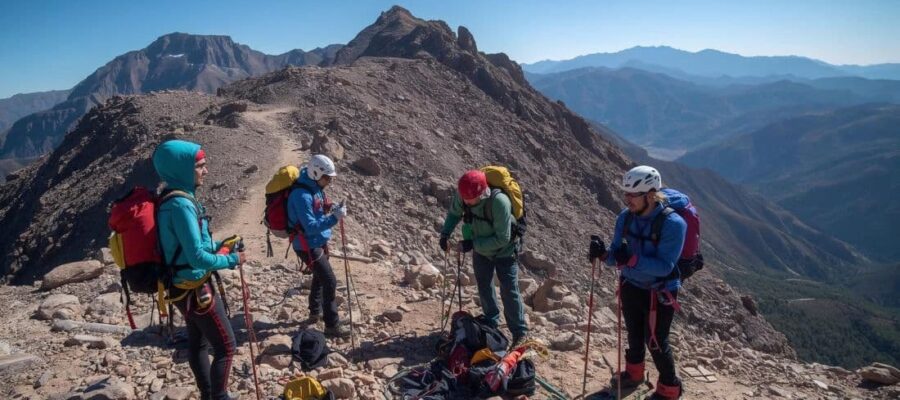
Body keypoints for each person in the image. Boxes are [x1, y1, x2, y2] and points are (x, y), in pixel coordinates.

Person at [153, 139, 244, 400]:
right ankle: (219, 396)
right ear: (184, 169)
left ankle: (208, 394)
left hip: (179, 286)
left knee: (198, 342)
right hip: (195, 286)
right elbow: (196, 257)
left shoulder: (173, 198)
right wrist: (232, 260)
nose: (206, 171)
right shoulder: (181, 205)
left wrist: (221, 245)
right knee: (226, 346)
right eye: (200, 166)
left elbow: (193, 246)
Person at [589, 165, 686, 400]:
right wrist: (603, 254)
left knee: (655, 341)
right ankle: (634, 374)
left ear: (651, 195)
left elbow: (665, 266)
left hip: (659, 292)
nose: (627, 199)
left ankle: (669, 388)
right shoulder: (625, 217)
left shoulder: (673, 224)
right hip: (631, 285)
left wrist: (631, 259)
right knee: (633, 332)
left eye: (633, 194)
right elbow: (615, 254)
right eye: (626, 194)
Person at [439, 170, 528, 347]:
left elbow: (503, 238)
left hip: (506, 250)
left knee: (509, 289)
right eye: (463, 198)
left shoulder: (499, 202)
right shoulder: (465, 194)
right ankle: (491, 322)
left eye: (469, 199)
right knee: (484, 285)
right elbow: (455, 213)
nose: (465, 202)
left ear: (482, 193)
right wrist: (445, 234)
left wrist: (473, 245)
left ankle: (520, 333)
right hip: (481, 249)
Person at [287, 154, 350, 339]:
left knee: (320, 276)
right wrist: (334, 218)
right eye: (327, 178)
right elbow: (311, 227)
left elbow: (315, 214)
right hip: (307, 244)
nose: (330, 181)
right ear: (316, 173)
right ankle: (332, 325)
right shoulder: (302, 195)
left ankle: (315, 311)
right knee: (329, 280)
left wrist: (328, 209)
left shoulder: (314, 187)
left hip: (316, 242)